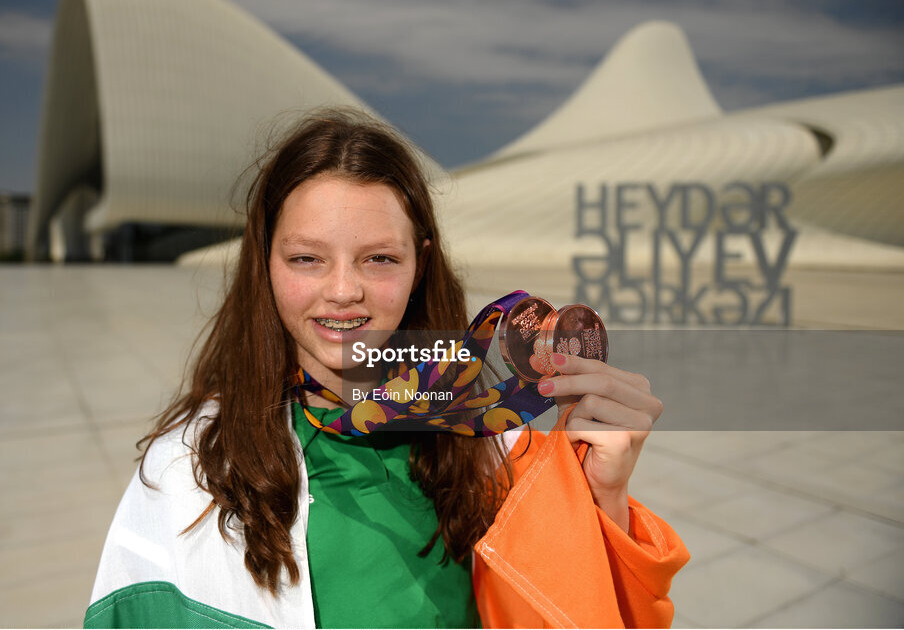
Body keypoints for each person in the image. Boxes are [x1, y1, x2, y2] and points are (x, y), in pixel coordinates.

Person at [83, 109, 689, 629]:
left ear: (419, 264)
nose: (343, 291)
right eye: (305, 258)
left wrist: (603, 497)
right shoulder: (188, 469)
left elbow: (591, 615)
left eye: (378, 259)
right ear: (263, 263)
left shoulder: (498, 443)